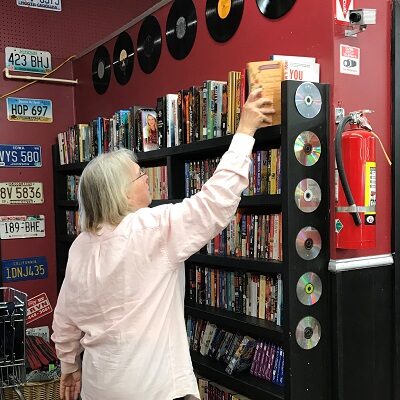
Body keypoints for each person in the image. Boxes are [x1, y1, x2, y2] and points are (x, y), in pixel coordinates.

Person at [51, 88, 275, 400]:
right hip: (155, 389)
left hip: (99, 387)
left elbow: (65, 318)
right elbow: (215, 203)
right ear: (122, 194)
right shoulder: (151, 228)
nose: (146, 179)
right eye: (139, 175)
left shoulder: (81, 247)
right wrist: (246, 130)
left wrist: (69, 364)